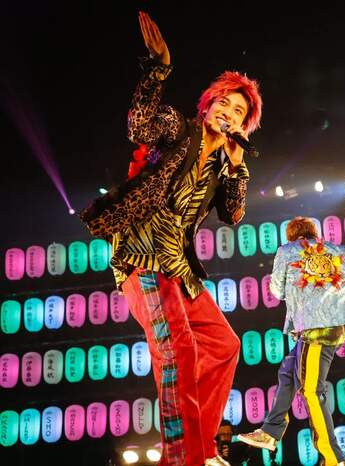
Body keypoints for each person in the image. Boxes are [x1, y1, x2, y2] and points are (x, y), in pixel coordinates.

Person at [79, 11, 262, 466]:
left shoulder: (223, 166)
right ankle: (184, 457)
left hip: (177, 267)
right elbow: (139, 125)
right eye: (223, 103)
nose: (228, 112)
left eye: (239, 111)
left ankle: (201, 450)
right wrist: (158, 68)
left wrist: (238, 164)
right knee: (176, 350)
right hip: (142, 255)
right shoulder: (179, 129)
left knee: (224, 345)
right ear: (208, 105)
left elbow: (233, 214)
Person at [237, 217, 345, 466]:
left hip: (314, 329)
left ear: (292, 236)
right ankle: (270, 431)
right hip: (334, 327)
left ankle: (333, 459)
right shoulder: (337, 250)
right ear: (315, 233)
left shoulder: (287, 251)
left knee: (312, 390)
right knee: (288, 372)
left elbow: (277, 291)